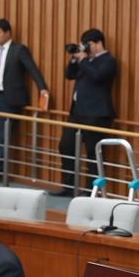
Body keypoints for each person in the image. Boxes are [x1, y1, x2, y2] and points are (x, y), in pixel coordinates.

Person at [0, 18, 48, 184]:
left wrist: (42, 87)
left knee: (3, 136)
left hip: (9, 99)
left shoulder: (19, 49)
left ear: (8, 33)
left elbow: (32, 69)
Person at [50, 28, 116, 197]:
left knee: (93, 153)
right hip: (77, 113)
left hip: (97, 114)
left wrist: (84, 60)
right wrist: (74, 59)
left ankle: (90, 191)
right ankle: (69, 186)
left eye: (89, 44)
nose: (86, 48)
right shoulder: (85, 61)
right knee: (65, 145)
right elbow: (69, 75)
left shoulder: (108, 61)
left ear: (98, 43)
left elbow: (98, 76)